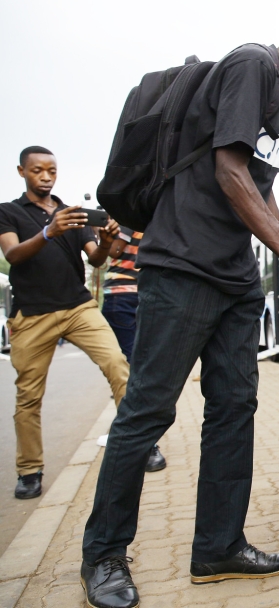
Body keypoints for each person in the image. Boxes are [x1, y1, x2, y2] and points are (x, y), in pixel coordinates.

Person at [80, 3, 279, 608]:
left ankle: (218, 547)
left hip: (234, 279)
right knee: (147, 412)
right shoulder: (251, 66)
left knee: (234, 409)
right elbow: (227, 169)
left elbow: (260, 183)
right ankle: (102, 555)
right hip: (181, 265)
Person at [0, 146, 129, 500]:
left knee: (119, 366)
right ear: (22, 172)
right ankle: (30, 471)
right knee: (28, 396)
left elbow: (98, 260)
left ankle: (139, 446)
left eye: (51, 171)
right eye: (38, 170)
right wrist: (48, 233)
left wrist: (105, 242)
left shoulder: (73, 215)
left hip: (78, 308)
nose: (45, 176)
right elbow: (12, 254)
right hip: (33, 315)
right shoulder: (8, 213)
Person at [102, 227, 167, 472]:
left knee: (146, 368)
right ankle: (143, 444)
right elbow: (113, 251)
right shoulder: (128, 218)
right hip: (122, 296)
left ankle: (137, 437)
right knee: (132, 370)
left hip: (148, 293)